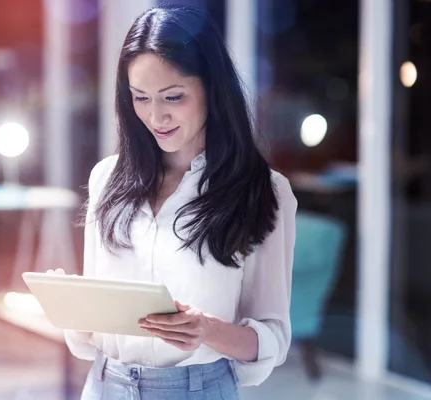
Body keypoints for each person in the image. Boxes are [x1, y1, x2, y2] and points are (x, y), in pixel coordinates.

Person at [48, 4, 297, 399]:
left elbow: (271, 338)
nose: (155, 116)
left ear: (212, 89)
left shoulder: (263, 190)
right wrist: (75, 310)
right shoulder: (107, 178)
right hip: (105, 385)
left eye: (173, 96)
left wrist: (208, 330)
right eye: (140, 98)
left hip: (197, 390)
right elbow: (90, 335)